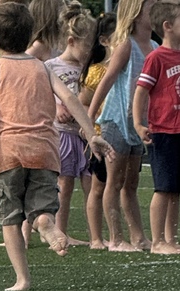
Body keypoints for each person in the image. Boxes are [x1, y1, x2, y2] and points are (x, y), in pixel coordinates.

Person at [0, 1, 111, 290]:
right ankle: (44, 222)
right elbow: (71, 99)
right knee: (40, 206)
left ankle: (22, 278)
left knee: (11, 218)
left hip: (8, 152)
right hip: (45, 149)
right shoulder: (42, 68)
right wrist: (91, 134)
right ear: (29, 37)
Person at [133, 0, 180, 255]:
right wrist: (139, 123)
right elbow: (141, 92)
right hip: (163, 131)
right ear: (168, 26)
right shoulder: (156, 58)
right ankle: (157, 241)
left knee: (176, 190)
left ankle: (171, 239)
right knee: (163, 188)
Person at [87, 0, 155, 252]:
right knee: (114, 181)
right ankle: (115, 238)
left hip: (137, 124)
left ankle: (138, 236)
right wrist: (89, 119)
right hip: (116, 121)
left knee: (132, 183)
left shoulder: (155, 47)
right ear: (136, 15)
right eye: (152, 9)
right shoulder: (127, 45)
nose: (157, 14)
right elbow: (106, 81)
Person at [45, 2, 97, 244]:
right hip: (63, 134)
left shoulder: (91, 68)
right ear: (71, 41)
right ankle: (60, 232)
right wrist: (56, 108)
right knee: (64, 186)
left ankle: (95, 233)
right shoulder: (51, 66)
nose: (88, 52)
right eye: (86, 46)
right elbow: (42, 97)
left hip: (85, 135)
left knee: (91, 185)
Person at [79, 11, 118, 248]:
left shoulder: (127, 68)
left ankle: (118, 233)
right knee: (99, 185)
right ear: (104, 40)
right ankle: (96, 237)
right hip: (102, 135)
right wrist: (90, 130)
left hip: (122, 133)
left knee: (121, 184)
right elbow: (83, 102)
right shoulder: (96, 72)